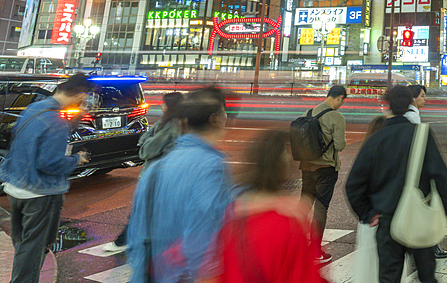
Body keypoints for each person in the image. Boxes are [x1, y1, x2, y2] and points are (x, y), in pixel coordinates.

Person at [127, 87, 235, 283]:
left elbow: (135, 233)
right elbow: (203, 243)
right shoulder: (211, 167)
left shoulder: (156, 166)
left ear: (185, 122)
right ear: (216, 119)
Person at [346, 86, 447, 283]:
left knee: (389, 276)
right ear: (409, 105)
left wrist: (368, 214)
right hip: (418, 217)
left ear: (387, 107)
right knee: (427, 275)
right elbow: (441, 176)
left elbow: (353, 184)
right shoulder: (422, 135)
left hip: (386, 220)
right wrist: (440, 210)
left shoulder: (376, 139)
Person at [0, 73, 94, 283]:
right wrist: (76, 160)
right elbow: (50, 164)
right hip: (39, 193)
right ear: (79, 95)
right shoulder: (56, 121)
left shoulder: (35, 108)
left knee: (24, 244)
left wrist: (76, 116)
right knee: (34, 247)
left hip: (15, 186)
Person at [210, 130, 326, 283]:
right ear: (275, 162)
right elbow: (303, 276)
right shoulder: (290, 220)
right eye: (285, 151)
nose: (290, 158)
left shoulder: (233, 214)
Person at [104, 92, 185, 255]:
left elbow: (146, 150)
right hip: (160, 175)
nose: (161, 105)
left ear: (170, 106)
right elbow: (145, 142)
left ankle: (125, 240)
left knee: (142, 209)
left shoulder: (171, 126)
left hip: (156, 175)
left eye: (164, 103)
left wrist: (146, 143)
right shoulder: (170, 122)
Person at [299, 84, 347, 264]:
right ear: (340, 98)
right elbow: (340, 145)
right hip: (326, 168)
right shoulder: (336, 116)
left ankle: (292, 242)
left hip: (306, 166)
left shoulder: (308, 113)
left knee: (303, 205)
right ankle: (315, 250)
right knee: (320, 208)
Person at [404, 84, 447, 260]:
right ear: (413, 98)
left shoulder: (412, 115)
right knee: (424, 211)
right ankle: (430, 247)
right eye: (422, 96)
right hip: (415, 174)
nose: (425, 99)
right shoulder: (412, 117)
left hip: (410, 173)